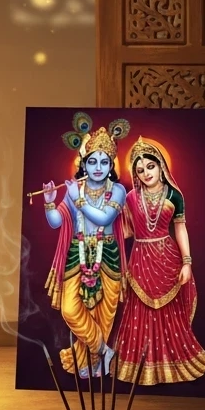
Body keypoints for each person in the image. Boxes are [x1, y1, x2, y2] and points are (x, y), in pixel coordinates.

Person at [114, 137, 205, 385]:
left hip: (168, 259)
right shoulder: (130, 197)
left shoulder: (174, 195)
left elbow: (180, 228)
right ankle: (140, 366)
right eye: (140, 170)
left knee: (170, 313)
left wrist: (187, 262)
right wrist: (101, 217)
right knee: (139, 312)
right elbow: (126, 231)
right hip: (139, 260)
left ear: (161, 165)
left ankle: (172, 362)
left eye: (150, 166)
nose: (146, 173)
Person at [42, 112, 130, 378]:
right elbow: (55, 222)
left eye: (104, 161)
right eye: (92, 161)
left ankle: (94, 363)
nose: (98, 167)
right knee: (71, 310)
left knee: (102, 315)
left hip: (108, 256)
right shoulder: (74, 189)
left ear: (111, 165)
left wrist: (77, 200)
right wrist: (49, 202)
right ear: (84, 163)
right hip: (77, 255)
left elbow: (104, 218)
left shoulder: (117, 190)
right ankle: (104, 350)